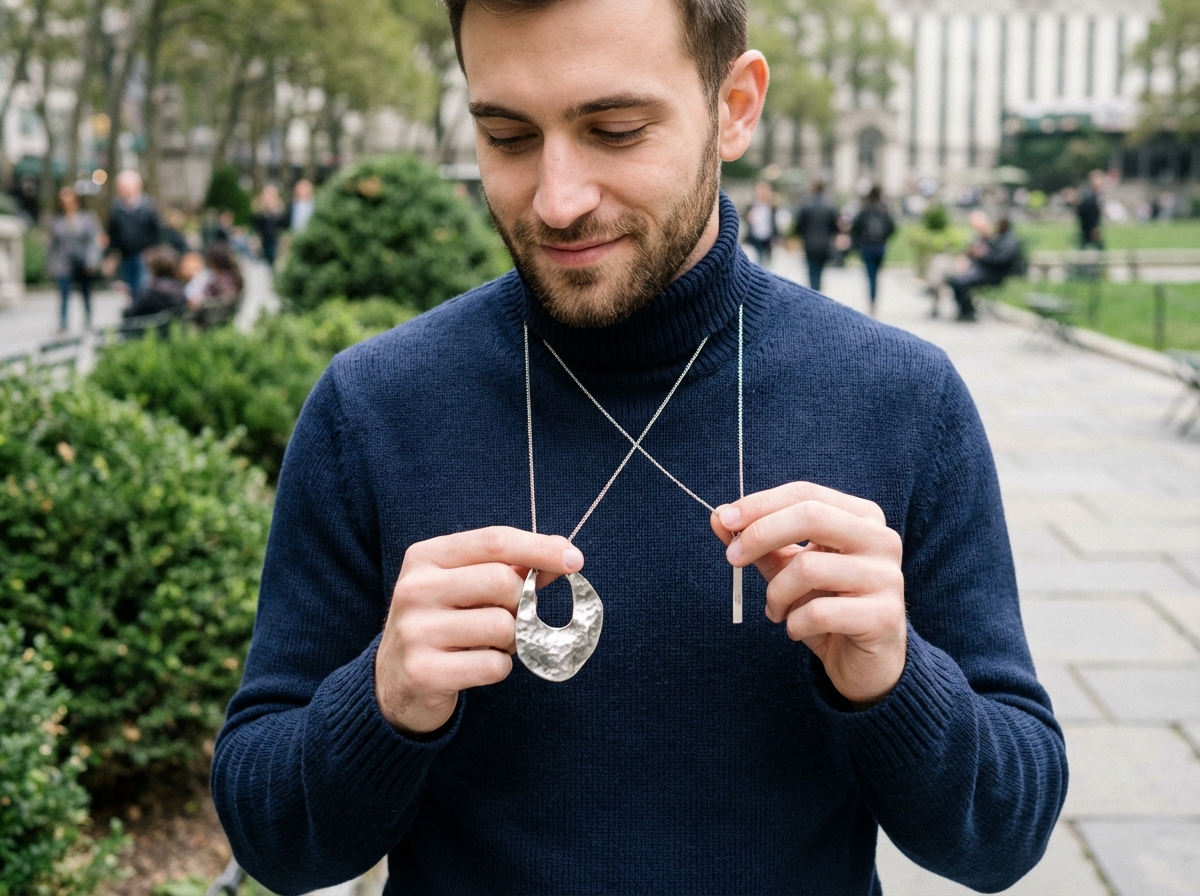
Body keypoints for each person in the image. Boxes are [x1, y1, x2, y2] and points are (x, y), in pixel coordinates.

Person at [212, 1, 1066, 893]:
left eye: (615, 131)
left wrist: (895, 681)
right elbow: (270, 840)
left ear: (734, 106)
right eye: (506, 136)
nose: (557, 199)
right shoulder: (373, 406)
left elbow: (1006, 836)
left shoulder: (903, 399)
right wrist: (382, 704)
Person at [47, 186, 102, 332]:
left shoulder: (87, 218)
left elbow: (93, 241)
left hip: (83, 262)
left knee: (85, 292)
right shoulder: (57, 221)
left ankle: (88, 321)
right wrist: (52, 264)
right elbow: (53, 245)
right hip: (64, 263)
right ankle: (63, 323)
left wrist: (92, 261)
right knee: (64, 293)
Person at [948, 215, 1022, 322]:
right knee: (956, 281)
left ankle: (967, 310)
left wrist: (983, 255)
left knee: (960, 282)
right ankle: (966, 308)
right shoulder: (1000, 237)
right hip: (985, 271)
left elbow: (1000, 260)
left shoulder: (1010, 241)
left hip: (994, 274)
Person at [105, 170, 161, 298]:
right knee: (130, 290)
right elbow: (113, 233)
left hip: (144, 256)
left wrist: (153, 251)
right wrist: (111, 256)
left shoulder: (148, 206)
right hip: (126, 256)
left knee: (143, 287)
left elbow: (156, 231)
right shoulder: (116, 208)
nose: (123, 190)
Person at [849, 184, 895, 316]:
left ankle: (872, 301)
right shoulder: (883, 210)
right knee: (876, 275)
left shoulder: (865, 210)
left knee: (871, 276)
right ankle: (874, 301)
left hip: (867, 247)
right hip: (880, 247)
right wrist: (885, 238)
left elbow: (855, 228)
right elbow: (892, 227)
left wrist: (856, 244)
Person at [795, 178, 840, 293]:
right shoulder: (829, 206)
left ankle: (813, 291)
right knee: (820, 270)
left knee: (811, 269)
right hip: (824, 243)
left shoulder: (806, 205)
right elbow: (835, 226)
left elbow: (799, 225)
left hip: (809, 243)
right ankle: (817, 290)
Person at [125, 246, 187, 318]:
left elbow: (129, 317)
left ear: (153, 269)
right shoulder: (183, 290)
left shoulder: (149, 295)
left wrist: (126, 301)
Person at [252, 184, 288, 267]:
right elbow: (256, 226)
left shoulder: (280, 209)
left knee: (273, 262)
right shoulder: (258, 209)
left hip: (275, 241)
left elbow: (283, 226)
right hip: (262, 241)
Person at [742, 180, 776, 264]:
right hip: (755, 237)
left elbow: (774, 222)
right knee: (757, 258)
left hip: (768, 237)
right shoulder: (751, 206)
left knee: (767, 260)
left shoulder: (772, 207)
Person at [1076, 169, 1105, 250]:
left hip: (1089, 227)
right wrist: (1093, 227)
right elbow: (1085, 211)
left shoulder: (1092, 194)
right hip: (1090, 228)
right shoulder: (1089, 195)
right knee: (1099, 250)